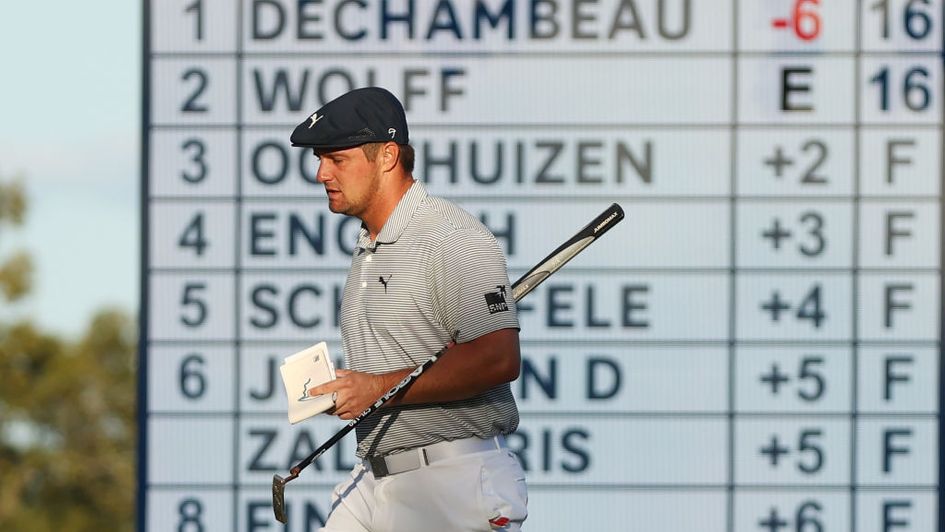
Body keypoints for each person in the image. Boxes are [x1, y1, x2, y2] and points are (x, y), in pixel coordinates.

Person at [290, 86, 528, 532]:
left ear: (387, 156)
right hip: (376, 478)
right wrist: (351, 390)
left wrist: (376, 387)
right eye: (320, 159)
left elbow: (499, 358)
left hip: (450, 484)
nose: (321, 173)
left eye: (336, 159)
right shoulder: (370, 244)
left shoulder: (451, 236)